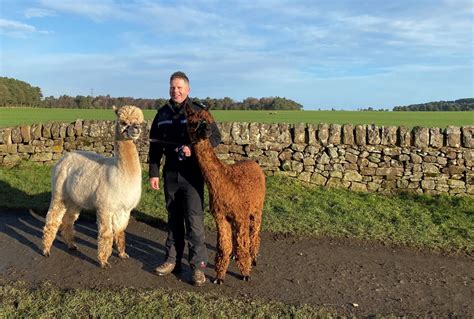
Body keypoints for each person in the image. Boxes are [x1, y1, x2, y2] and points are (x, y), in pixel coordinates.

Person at [148, 71, 221, 286]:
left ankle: (198, 267)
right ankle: (172, 260)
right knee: (173, 220)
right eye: (172, 87)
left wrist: (194, 147)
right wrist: (153, 173)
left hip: (192, 174)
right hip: (170, 173)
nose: (175, 90)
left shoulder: (199, 111)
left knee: (194, 222)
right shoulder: (161, 114)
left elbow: (216, 137)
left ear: (188, 89)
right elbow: (154, 146)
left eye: (180, 87)